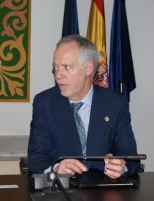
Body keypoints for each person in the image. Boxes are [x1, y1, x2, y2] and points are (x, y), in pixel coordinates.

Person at [27, 35, 140, 179]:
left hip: (105, 190)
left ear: (88, 68)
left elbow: (131, 155)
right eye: (55, 68)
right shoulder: (45, 103)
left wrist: (122, 166)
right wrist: (56, 167)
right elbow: (36, 157)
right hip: (64, 191)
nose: (58, 75)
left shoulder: (115, 103)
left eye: (66, 67)